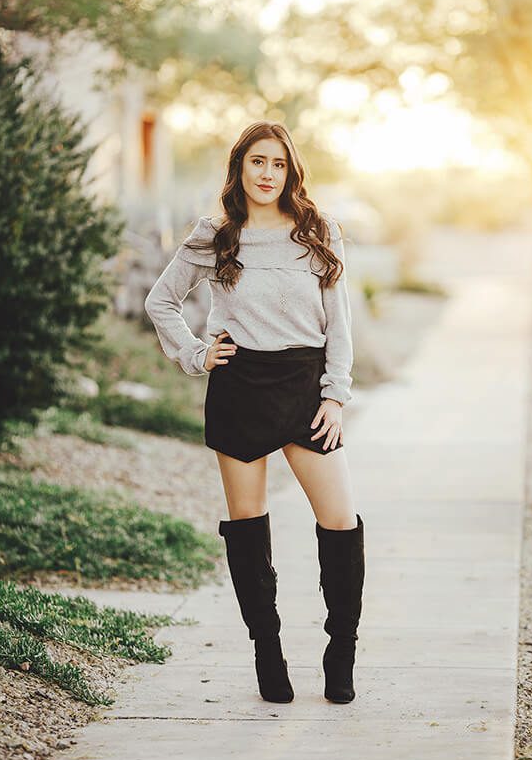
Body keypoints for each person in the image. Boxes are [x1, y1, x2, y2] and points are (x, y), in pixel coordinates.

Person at [145, 121, 366, 706]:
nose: (268, 174)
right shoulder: (215, 235)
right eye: (257, 162)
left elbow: (338, 324)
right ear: (239, 168)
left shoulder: (319, 233)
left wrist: (335, 395)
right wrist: (196, 353)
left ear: (291, 171)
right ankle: (268, 653)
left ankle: (340, 649)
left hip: (304, 386)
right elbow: (161, 300)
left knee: (340, 519)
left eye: (278, 164)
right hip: (240, 386)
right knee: (248, 525)